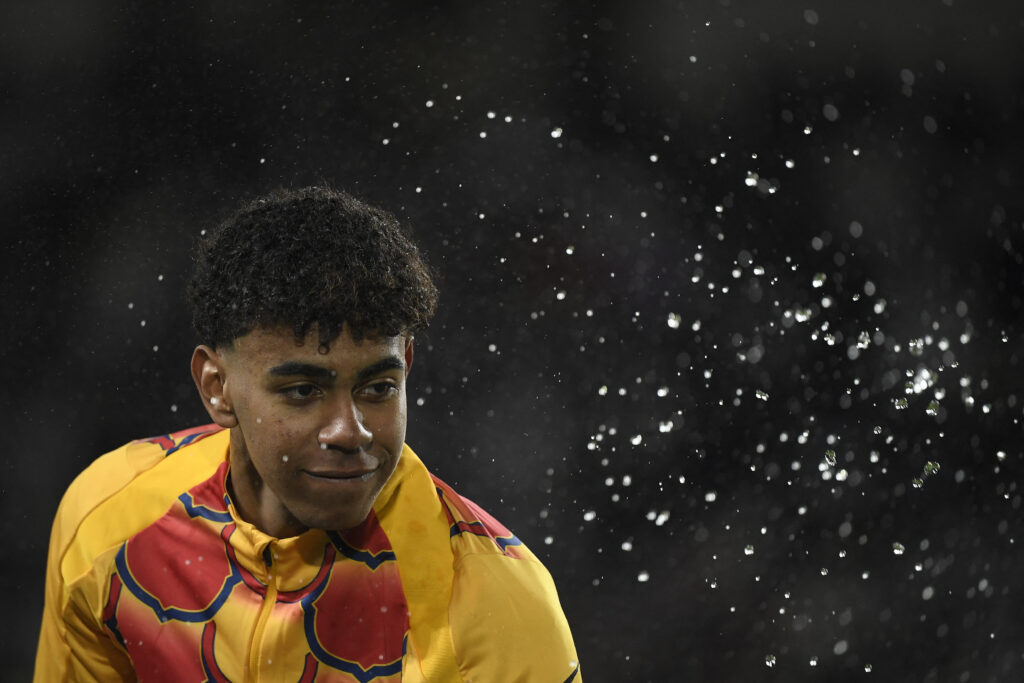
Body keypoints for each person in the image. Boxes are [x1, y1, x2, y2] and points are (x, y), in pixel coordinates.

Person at [34, 187, 581, 682]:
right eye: (302, 391)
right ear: (216, 387)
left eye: (378, 387)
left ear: (407, 367)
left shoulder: (497, 606)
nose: (351, 431)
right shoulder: (108, 522)